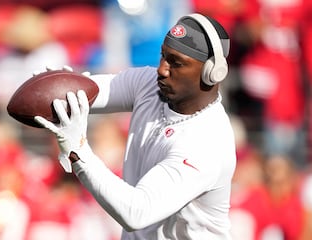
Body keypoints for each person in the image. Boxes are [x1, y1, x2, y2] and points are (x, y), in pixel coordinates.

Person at [34, 13, 236, 239]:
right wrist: (55, 86)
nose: (162, 69)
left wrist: (78, 151)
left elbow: (136, 213)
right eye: (163, 56)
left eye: (176, 63)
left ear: (212, 73)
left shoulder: (207, 142)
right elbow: (87, 93)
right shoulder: (148, 84)